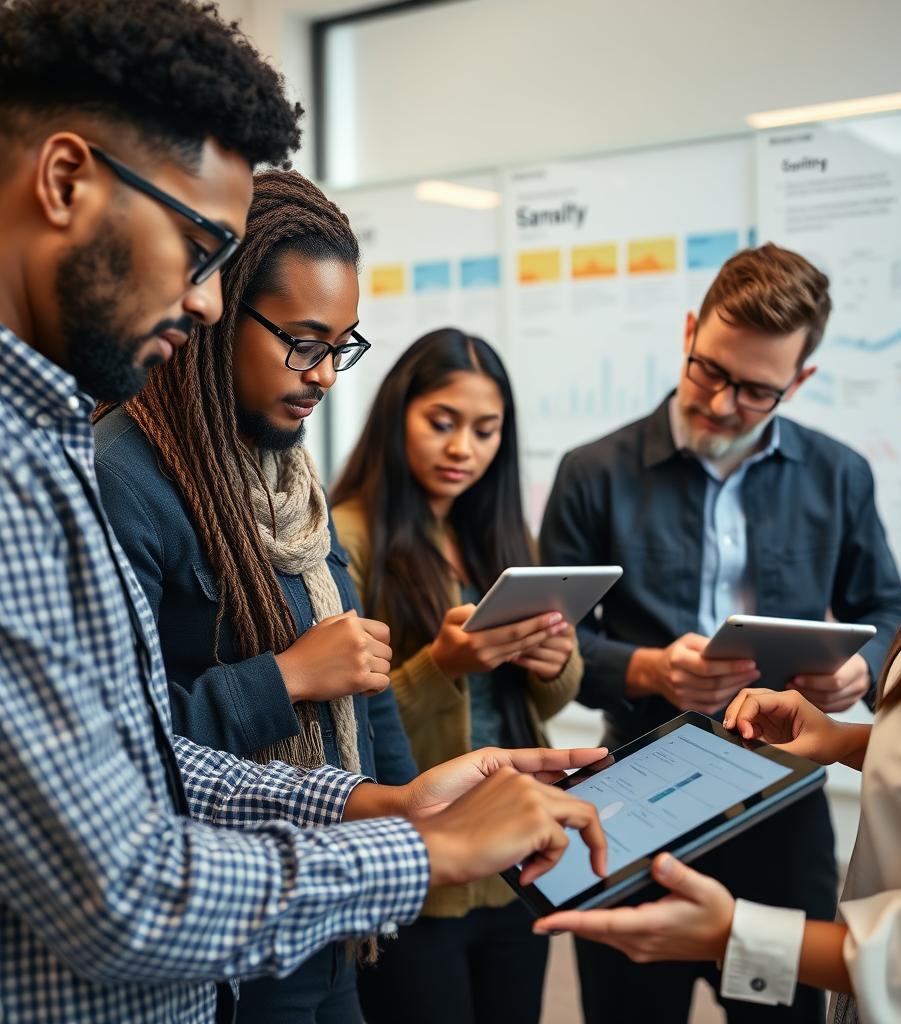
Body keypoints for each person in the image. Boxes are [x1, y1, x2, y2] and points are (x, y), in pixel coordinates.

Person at [0, 3, 608, 1022]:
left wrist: (377, 801)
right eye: (197, 247)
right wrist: (418, 848)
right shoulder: (60, 469)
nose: (203, 302)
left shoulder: (53, 439)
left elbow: (137, 758)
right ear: (65, 180)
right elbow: (122, 890)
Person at [536, 246, 901, 1024]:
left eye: (758, 390)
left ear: (800, 381)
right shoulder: (591, 471)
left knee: (786, 1009)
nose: (723, 403)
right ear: (690, 332)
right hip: (634, 790)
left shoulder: (839, 474)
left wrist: (863, 668)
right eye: (709, 371)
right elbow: (549, 653)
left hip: (780, 791)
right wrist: (648, 670)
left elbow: (888, 606)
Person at [93, 168, 421, 1023]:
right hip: (227, 931)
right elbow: (119, 750)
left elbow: (362, 678)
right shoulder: (124, 477)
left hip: (334, 911)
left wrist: (416, 815)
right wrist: (288, 678)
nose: (326, 375)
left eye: (342, 346)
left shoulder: (289, 477)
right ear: (219, 315)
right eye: (304, 343)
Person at [330, 327, 584, 1024]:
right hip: (420, 861)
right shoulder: (345, 537)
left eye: (485, 430)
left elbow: (546, 702)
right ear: (397, 416)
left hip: (518, 855)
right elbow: (341, 734)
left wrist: (556, 664)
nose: (462, 449)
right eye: (442, 422)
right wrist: (441, 665)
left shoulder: (500, 534)